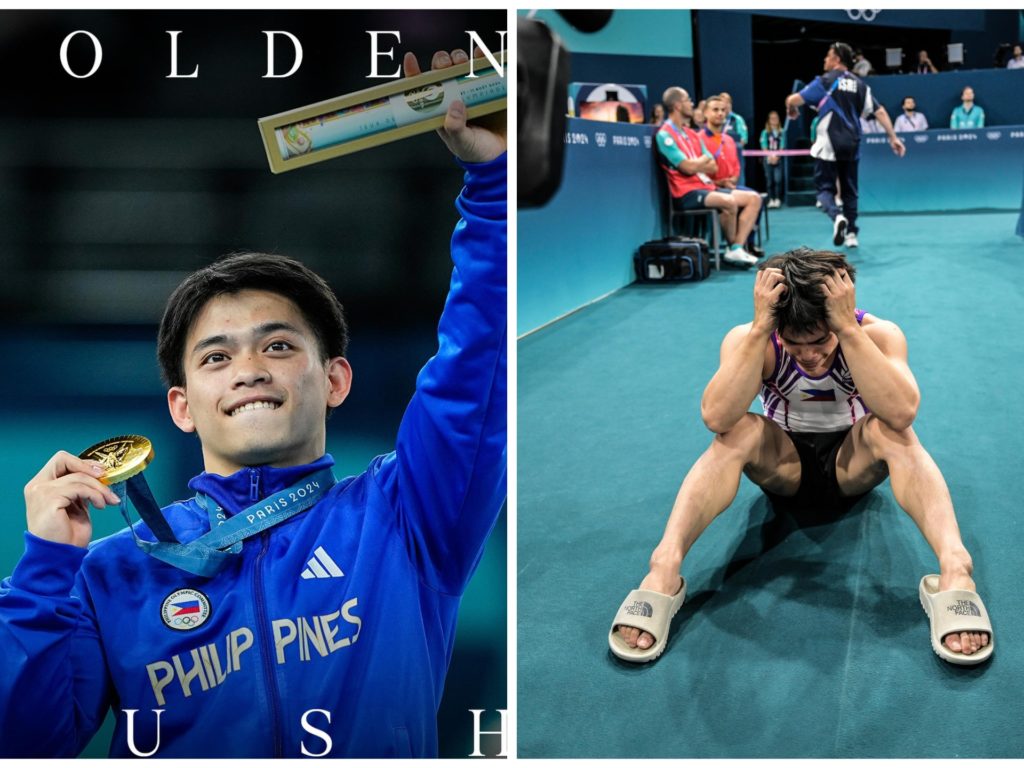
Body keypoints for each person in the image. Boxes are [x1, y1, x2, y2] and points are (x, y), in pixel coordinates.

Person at [0, 47, 507, 759]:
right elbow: (25, 744)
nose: (248, 370)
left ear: (335, 380)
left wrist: (493, 185)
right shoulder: (110, 574)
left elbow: (476, 363)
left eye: (277, 347)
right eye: (216, 355)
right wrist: (44, 570)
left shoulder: (407, 513)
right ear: (182, 407)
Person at [609, 249, 994, 667]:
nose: (809, 355)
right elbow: (716, 417)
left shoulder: (880, 334)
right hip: (783, 468)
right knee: (735, 431)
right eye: (796, 343)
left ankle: (956, 568)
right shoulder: (750, 338)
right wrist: (760, 331)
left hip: (853, 466)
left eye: (820, 341)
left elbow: (901, 412)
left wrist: (846, 329)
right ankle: (664, 568)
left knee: (895, 432)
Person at [785, 42, 905, 249]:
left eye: (827, 56)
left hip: (828, 143)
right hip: (852, 143)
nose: (825, 60)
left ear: (837, 60)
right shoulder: (861, 85)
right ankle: (851, 233)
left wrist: (790, 109)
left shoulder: (823, 81)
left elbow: (794, 99)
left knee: (824, 190)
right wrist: (893, 137)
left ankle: (836, 216)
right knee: (850, 191)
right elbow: (880, 112)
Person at [655, 86, 761, 267]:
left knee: (753, 198)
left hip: (705, 187)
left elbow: (711, 164)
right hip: (686, 192)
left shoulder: (691, 134)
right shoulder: (665, 135)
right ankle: (734, 250)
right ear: (678, 105)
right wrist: (698, 163)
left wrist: (696, 163)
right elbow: (686, 168)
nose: (692, 104)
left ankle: (736, 247)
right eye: (688, 100)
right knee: (729, 202)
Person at [759, 110, 786, 208]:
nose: (774, 120)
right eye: (772, 118)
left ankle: (778, 198)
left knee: (778, 180)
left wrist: (777, 157)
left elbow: (783, 145)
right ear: (769, 120)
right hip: (768, 159)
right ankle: (771, 199)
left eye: (776, 118)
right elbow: (763, 145)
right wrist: (769, 156)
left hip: (778, 159)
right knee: (769, 180)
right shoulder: (765, 132)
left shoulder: (782, 132)